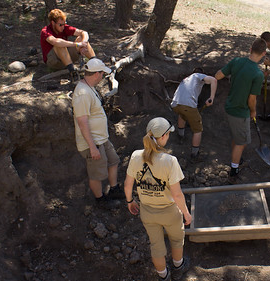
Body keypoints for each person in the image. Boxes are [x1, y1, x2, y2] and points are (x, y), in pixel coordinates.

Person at [124, 117, 192, 281]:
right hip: (169, 212)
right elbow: (177, 195)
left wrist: (130, 201)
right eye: (168, 134)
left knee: (156, 245)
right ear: (163, 137)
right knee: (176, 239)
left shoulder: (135, 156)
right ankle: (178, 265)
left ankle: (164, 276)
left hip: (147, 211)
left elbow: (127, 185)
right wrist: (186, 214)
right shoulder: (170, 161)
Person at [72, 58, 123, 208]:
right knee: (97, 174)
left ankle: (113, 189)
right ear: (96, 74)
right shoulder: (82, 93)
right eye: (102, 74)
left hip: (102, 139)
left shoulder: (89, 87)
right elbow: (82, 122)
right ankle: (100, 200)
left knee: (113, 161)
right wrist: (92, 147)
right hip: (93, 142)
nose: (103, 77)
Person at [215, 38, 266, 183]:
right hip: (240, 111)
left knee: (237, 137)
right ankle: (234, 171)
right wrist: (253, 111)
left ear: (250, 49)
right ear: (263, 54)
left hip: (230, 106)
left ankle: (236, 158)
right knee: (242, 142)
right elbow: (252, 99)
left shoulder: (236, 61)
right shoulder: (257, 73)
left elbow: (218, 75)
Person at [170, 68, 217, 162]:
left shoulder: (186, 79)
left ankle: (180, 137)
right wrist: (211, 98)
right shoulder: (198, 76)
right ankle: (195, 155)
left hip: (175, 104)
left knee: (182, 115)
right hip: (187, 104)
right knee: (198, 129)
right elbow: (214, 80)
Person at [40, 9, 96, 79]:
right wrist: (77, 44)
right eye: (60, 25)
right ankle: (73, 72)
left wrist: (83, 44)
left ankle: (96, 63)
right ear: (53, 23)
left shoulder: (64, 28)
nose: (63, 27)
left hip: (66, 59)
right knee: (60, 44)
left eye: (64, 23)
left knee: (81, 37)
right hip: (54, 61)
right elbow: (55, 42)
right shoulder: (45, 31)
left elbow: (84, 33)